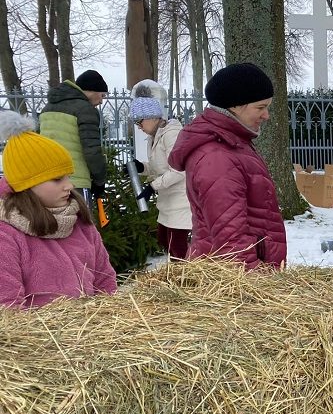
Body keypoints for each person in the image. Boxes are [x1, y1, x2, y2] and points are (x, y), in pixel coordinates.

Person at [168, 62, 286, 269]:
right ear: (234, 106)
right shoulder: (217, 157)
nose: (266, 115)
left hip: (244, 270)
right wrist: (258, 288)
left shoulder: (233, 144)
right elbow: (231, 241)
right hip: (233, 278)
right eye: (260, 107)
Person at [0, 110, 117, 308]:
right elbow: (8, 306)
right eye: (57, 179)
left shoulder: (80, 223)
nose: (69, 185)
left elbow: (105, 282)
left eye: (68, 176)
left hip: (93, 333)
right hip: (39, 336)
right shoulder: (7, 235)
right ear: (27, 185)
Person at [129, 79, 192, 259]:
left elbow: (179, 170)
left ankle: (186, 282)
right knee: (164, 240)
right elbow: (160, 167)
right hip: (167, 202)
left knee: (177, 248)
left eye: (140, 121)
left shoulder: (172, 134)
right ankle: (177, 278)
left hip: (181, 202)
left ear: (152, 116)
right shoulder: (154, 136)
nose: (138, 127)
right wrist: (142, 167)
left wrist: (152, 187)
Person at [39, 70, 109, 203]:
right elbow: (91, 150)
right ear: (92, 90)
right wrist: (99, 181)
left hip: (48, 181)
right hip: (76, 183)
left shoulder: (46, 109)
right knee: (82, 223)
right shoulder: (86, 110)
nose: (101, 100)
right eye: (102, 95)